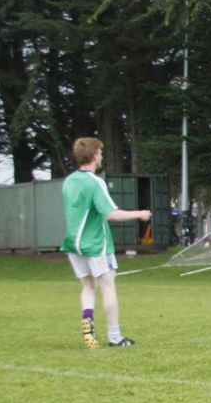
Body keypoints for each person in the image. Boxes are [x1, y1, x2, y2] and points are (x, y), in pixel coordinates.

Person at [61, 137, 152, 348]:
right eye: (100, 152)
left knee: (88, 286)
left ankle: (88, 324)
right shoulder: (95, 182)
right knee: (108, 286)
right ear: (94, 155)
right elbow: (111, 214)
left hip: (73, 243)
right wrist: (140, 214)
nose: (101, 155)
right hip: (95, 243)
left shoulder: (69, 181)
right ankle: (115, 336)